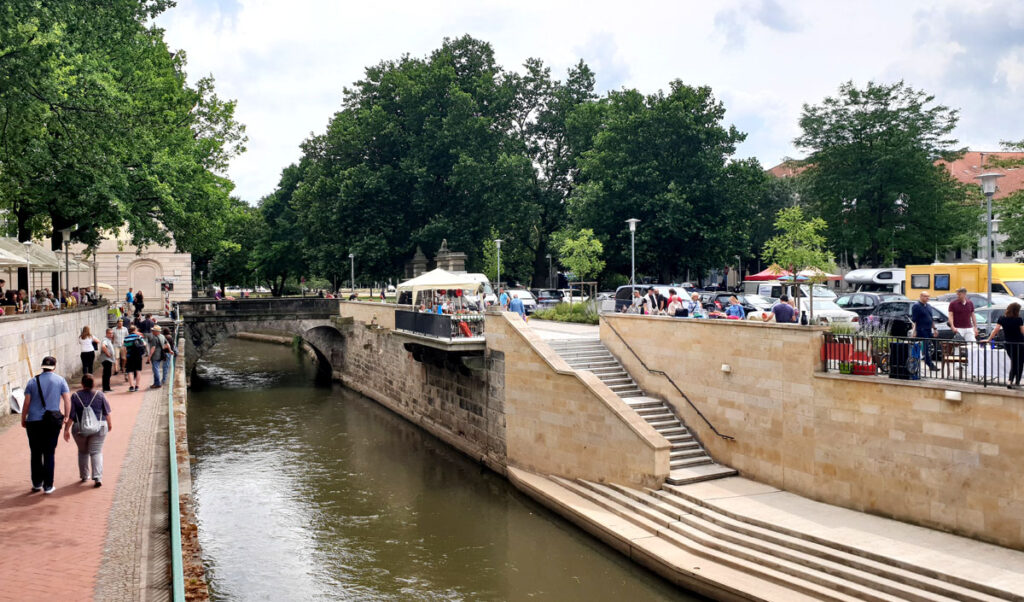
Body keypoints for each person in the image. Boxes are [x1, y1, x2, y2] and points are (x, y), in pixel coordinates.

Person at [21, 356, 72, 494]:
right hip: (52, 421)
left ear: (42, 366)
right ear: (54, 367)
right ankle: (48, 486)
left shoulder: (32, 381)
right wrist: (67, 416)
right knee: (49, 453)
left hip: (34, 421)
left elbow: (26, 403)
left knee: (36, 453)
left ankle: (37, 483)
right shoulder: (60, 380)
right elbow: (67, 400)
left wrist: (23, 418)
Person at [64, 373, 112, 487]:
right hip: (99, 427)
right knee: (96, 452)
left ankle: (85, 476)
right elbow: (106, 412)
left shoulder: (75, 396)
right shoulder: (100, 395)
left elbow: (71, 416)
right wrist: (109, 424)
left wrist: (66, 430)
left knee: (83, 452)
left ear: (82, 384)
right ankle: (98, 477)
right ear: (93, 384)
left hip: (80, 428)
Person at [987, 302, 1024, 389]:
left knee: (1014, 362)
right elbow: (1022, 332)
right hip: (1020, 344)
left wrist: (989, 339)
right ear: (1016, 311)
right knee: (1020, 363)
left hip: (1008, 344)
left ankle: (1010, 381)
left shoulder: (1002, 319)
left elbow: (995, 330)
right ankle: (1017, 381)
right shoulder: (1019, 319)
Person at [910, 292, 939, 372]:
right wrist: (914, 331)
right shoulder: (916, 306)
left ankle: (928, 362)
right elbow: (914, 320)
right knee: (925, 347)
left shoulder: (929, 306)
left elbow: (931, 318)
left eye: (928, 296)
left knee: (931, 346)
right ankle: (930, 364)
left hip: (929, 329)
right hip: (921, 330)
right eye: (926, 296)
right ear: (921, 296)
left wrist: (935, 329)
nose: (927, 298)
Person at [123, 325, 146, 392]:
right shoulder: (139, 337)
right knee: (138, 370)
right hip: (138, 356)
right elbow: (144, 344)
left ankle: (131, 386)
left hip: (130, 356)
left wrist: (126, 356)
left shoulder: (126, 338)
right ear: (135, 330)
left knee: (130, 371)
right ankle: (137, 386)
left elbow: (125, 347)